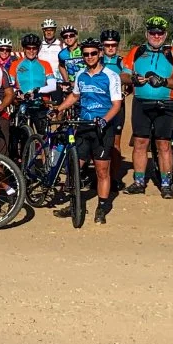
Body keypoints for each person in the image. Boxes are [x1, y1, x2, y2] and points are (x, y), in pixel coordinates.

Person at [53, 38, 123, 223]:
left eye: (93, 53)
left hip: (102, 127)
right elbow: (75, 95)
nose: (90, 57)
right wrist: (58, 109)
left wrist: (104, 120)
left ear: (100, 53)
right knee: (75, 166)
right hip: (84, 125)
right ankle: (74, 203)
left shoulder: (110, 76)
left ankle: (101, 207)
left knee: (102, 170)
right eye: (86, 54)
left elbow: (117, 104)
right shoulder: (81, 75)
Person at [121, 16, 173, 198]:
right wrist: (133, 79)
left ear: (165, 34)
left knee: (163, 144)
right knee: (140, 142)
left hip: (165, 104)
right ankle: (139, 181)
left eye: (160, 33)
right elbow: (123, 75)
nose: (156, 36)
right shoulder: (136, 51)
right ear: (147, 33)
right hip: (141, 103)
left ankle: (166, 184)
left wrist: (165, 81)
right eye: (153, 32)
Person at [99, 28, 126, 181]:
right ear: (102, 45)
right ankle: (99, 176)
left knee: (115, 142)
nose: (110, 48)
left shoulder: (122, 62)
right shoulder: (96, 60)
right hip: (99, 106)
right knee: (97, 141)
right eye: (107, 45)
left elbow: (130, 81)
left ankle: (114, 178)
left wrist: (125, 93)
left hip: (116, 107)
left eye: (113, 45)